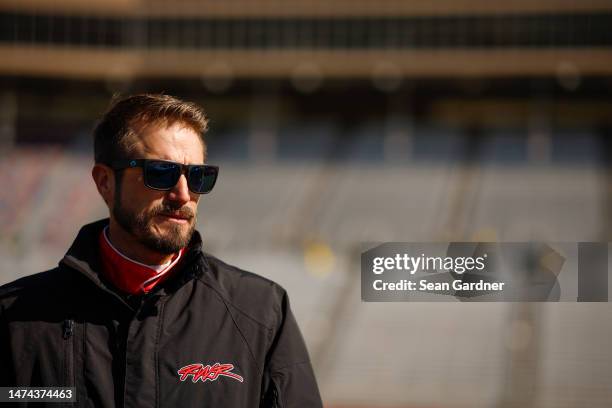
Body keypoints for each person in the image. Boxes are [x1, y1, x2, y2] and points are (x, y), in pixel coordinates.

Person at [0, 94, 323, 407]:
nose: (183, 194)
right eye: (161, 173)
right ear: (105, 182)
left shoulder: (261, 311)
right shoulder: (14, 318)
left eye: (199, 176)